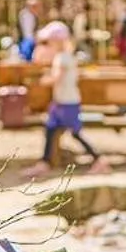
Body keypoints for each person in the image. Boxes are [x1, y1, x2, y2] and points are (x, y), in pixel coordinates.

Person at [23, 21, 108, 179]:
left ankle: (99, 160)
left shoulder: (63, 58)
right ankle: (45, 163)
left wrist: (41, 81)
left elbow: (57, 77)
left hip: (67, 102)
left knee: (75, 133)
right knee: (50, 129)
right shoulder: (64, 56)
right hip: (60, 101)